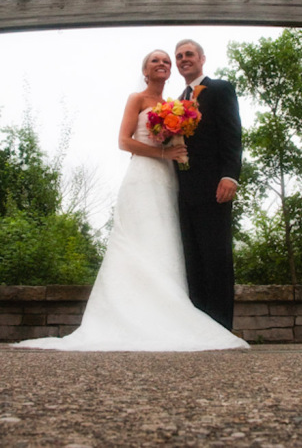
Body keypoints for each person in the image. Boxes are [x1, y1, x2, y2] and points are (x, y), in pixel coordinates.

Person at [13, 50, 248, 351]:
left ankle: (175, 315)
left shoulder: (176, 105)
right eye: (156, 61)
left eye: (167, 60)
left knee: (167, 246)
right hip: (142, 177)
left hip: (172, 181)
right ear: (145, 71)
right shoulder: (136, 99)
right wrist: (164, 153)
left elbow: (206, 139)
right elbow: (124, 141)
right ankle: (128, 315)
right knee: (138, 242)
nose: (163, 64)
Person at [174, 39, 243, 330]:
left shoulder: (220, 89)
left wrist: (230, 176)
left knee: (216, 258)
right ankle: (200, 329)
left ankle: (222, 329)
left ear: (202, 58)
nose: (183, 59)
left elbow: (232, 133)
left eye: (189, 54)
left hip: (215, 188)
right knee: (192, 261)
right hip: (183, 192)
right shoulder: (175, 102)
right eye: (179, 56)